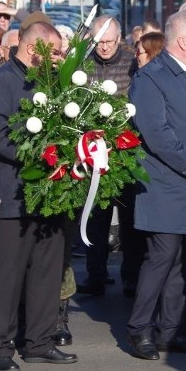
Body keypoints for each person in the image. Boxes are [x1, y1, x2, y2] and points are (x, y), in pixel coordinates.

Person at [0, 22, 78, 371]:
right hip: (13, 192)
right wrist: (41, 155)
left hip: (51, 194)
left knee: (47, 273)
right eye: (57, 51)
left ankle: (39, 342)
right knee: (7, 274)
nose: (60, 58)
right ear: (36, 49)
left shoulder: (52, 83)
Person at [126, 9, 186, 361]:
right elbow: (157, 134)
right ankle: (139, 330)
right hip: (167, 185)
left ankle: (170, 330)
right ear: (182, 41)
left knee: (184, 262)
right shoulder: (150, 78)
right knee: (161, 258)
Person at [77, 16, 141, 302]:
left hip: (125, 149)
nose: (104, 47)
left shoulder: (131, 62)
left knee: (129, 219)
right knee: (95, 216)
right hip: (93, 150)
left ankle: (131, 276)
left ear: (119, 39)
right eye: (99, 42)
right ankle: (96, 274)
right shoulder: (83, 62)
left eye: (109, 42)